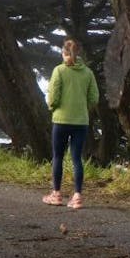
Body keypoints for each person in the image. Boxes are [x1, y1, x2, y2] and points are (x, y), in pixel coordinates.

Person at [42, 39, 99, 210]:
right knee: (77, 159)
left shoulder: (59, 71)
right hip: (81, 121)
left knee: (58, 157)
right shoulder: (88, 73)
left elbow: (53, 98)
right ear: (78, 53)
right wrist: (82, 107)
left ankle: (57, 195)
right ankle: (77, 197)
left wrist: (52, 107)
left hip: (60, 120)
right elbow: (94, 98)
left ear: (63, 53)